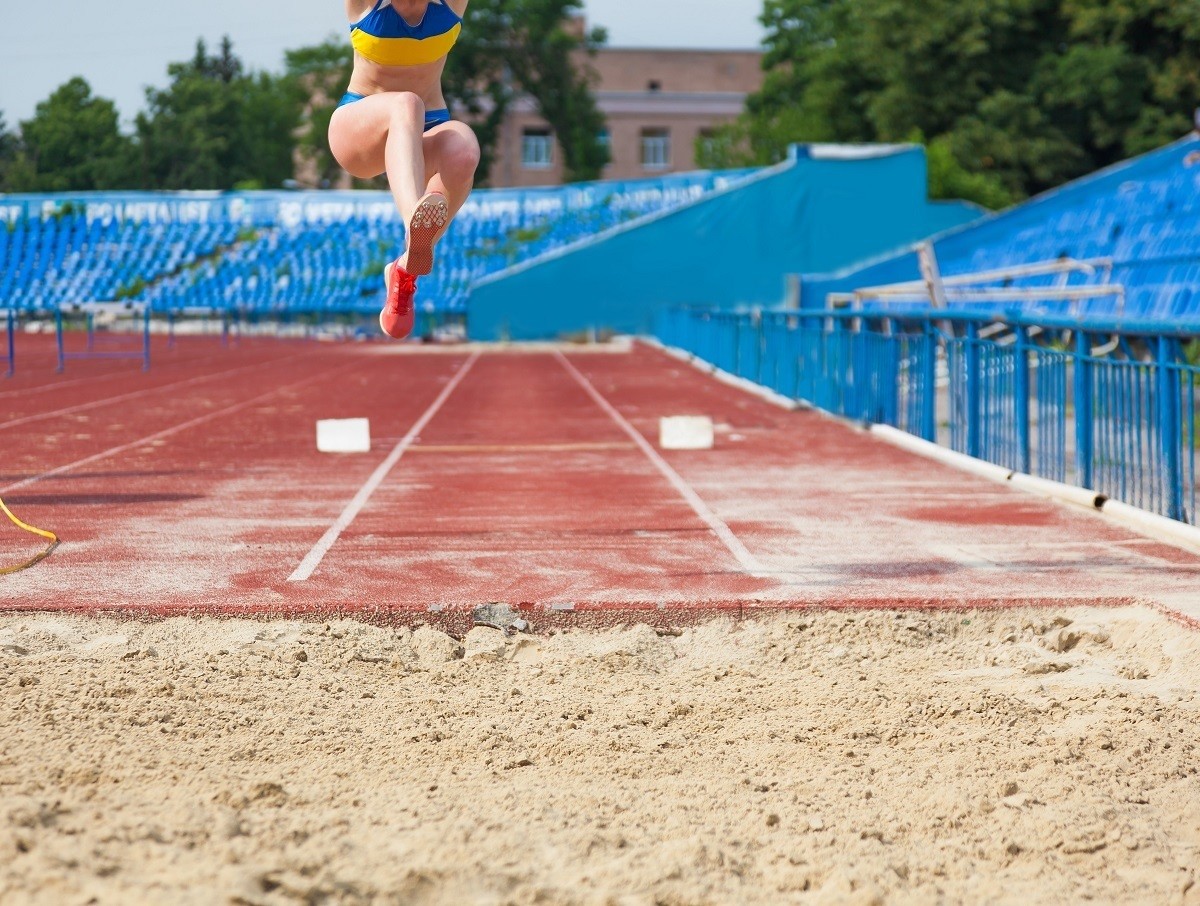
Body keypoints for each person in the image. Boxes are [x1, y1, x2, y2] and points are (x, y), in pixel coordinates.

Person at [328, 0, 480, 339]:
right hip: (361, 125)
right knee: (406, 103)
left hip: (428, 126)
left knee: (464, 148)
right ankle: (415, 222)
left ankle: (404, 269)